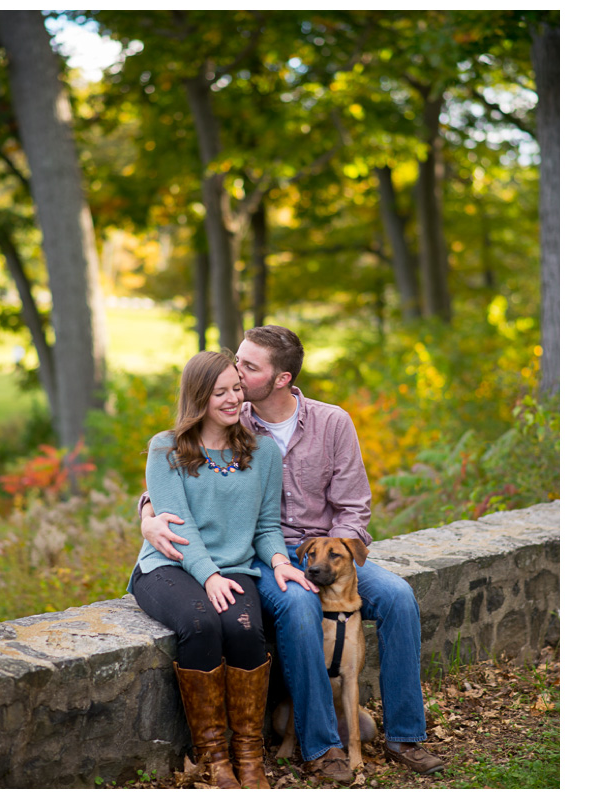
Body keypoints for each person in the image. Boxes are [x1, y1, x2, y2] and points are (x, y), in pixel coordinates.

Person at [140, 325, 446, 783]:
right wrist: (146, 513)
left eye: (248, 367)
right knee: (301, 606)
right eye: (237, 363)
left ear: (280, 378)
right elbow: (175, 471)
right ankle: (321, 746)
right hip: (263, 551)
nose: (237, 375)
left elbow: (354, 506)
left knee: (399, 596)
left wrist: (331, 559)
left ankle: (404, 734)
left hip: (328, 549)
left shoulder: (332, 422)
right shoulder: (229, 415)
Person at [128, 349, 315, 789]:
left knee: (247, 630)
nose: (232, 399)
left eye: (236, 388)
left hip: (233, 568)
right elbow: (178, 525)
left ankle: (248, 755)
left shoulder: (262, 452)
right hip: (168, 566)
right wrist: (209, 575)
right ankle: (214, 758)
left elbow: (267, 526)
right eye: (220, 392)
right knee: (201, 624)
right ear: (198, 396)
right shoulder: (166, 447)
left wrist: (280, 562)